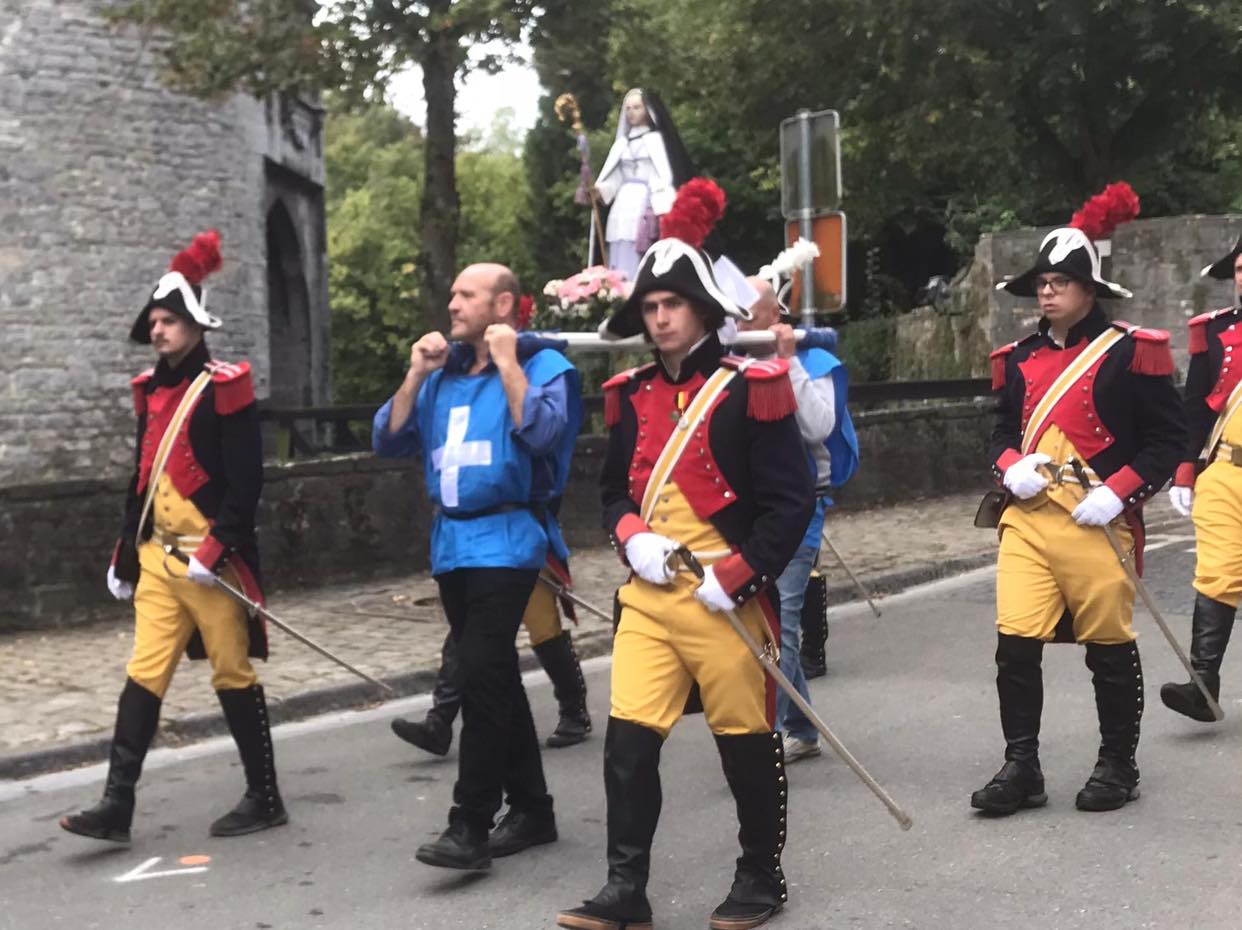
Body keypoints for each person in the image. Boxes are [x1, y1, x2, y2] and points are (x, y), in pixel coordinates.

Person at [557, 179, 812, 930]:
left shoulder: (750, 390)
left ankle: (761, 877)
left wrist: (738, 575)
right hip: (650, 600)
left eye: (671, 304)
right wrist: (632, 539)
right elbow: (612, 497)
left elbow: (789, 505)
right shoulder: (629, 394)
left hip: (724, 597)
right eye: (650, 306)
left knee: (744, 744)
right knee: (628, 744)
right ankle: (624, 888)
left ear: (702, 308)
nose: (659, 317)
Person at [60, 230, 286, 843]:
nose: (158, 330)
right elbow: (142, 478)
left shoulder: (224, 387)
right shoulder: (151, 391)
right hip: (158, 561)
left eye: (168, 320)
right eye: (154, 322)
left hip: (210, 563)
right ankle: (117, 804)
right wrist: (123, 551)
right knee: (143, 674)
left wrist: (218, 551)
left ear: (194, 325)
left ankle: (265, 796)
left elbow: (246, 483)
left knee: (231, 674)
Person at [372, 263, 577, 871]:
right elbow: (388, 437)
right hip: (451, 546)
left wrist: (510, 361)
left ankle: (470, 823)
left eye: (466, 294)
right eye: (452, 291)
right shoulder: (442, 377)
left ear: (504, 304)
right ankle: (534, 809)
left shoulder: (545, 367)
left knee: (482, 670)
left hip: (509, 541)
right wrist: (414, 373)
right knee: (495, 679)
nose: (452, 302)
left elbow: (542, 434)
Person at [973, 226, 1183, 816]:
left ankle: (1119, 762)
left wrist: (1119, 495)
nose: (1046, 293)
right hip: (1029, 520)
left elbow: (1167, 440)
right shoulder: (1017, 358)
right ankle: (1022, 767)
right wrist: (1010, 466)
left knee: (1108, 646)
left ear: (1089, 290)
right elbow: (998, 433)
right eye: (1041, 283)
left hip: (1098, 519)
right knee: (1014, 642)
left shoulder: (1129, 350)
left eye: (1059, 282)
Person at [737, 276, 839, 763]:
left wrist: (787, 362)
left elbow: (819, 426)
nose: (737, 324)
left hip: (801, 508)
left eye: (747, 315)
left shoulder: (812, 358)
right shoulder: (730, 362)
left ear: (774, 316)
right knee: (766, 620)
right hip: (749, 511)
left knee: (784, 628)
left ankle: (765, 739)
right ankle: (801, 725)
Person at [1162, 232, 1242, 720]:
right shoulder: (1212, 332)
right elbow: (1193, 407)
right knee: (1217, 571)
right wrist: (1185, 470)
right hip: (1225, 469)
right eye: (1239, 268)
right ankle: (1202, 685)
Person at [594, 88, 694, 280]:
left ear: (648, 110)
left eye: (637, 107)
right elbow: (615, 179)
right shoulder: (621, 145)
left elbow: (664, 176)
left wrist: (661, 204)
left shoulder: (658, 142)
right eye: (628, 108)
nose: (631, 112)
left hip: (646, 202)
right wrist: (599, 190)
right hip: (622, 204)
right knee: (620, 243)